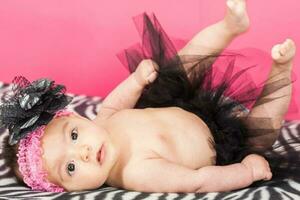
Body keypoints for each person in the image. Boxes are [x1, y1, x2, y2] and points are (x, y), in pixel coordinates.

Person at [1, 0, 299, 193]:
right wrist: (244, 172)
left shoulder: (104, 120)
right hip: (223, 146)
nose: (83, 152)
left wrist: (137, 79)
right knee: (261, 134)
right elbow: (197, 180)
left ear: (76, 117)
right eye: (71, 168)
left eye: (75, 135)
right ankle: (281, 70)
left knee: (176, 70)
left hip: (181, 104)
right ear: (67, 189)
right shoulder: (136, 173)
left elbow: (117, 101)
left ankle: (229, 27)